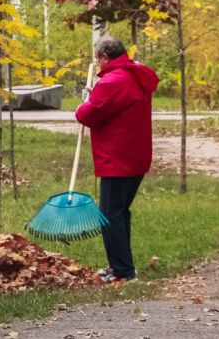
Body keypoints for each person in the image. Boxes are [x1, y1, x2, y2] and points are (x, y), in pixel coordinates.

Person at [75, 37, 159, 283]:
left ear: (104, 57)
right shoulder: (134, 75)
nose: (97, 64)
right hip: (136, 157)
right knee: (120, 212)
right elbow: (112, 105)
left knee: (110, 214)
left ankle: (123, 270)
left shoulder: (112, 81)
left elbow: (90, 115)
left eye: (97, 59)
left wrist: (83, 105)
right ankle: (121, 266)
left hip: (118, 160)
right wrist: (95, 95)